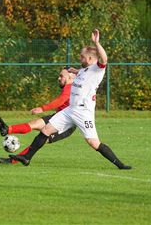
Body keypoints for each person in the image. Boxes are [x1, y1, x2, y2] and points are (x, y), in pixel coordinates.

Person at [10, 29, 132, 170]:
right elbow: (82, 74)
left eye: (82, 57)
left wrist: (97, 43)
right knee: (45, 130)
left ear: (91, 59)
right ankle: (26, 157)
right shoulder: (85, 70)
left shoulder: (97, 69)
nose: (80, 59)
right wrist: (74, 71)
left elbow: (104, 59)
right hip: (70, 110)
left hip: (83, 112)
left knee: (93, 143)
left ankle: (120, 165)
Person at [0, 68, 78, 164]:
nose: (58, 78)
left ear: (71, 76)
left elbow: (61, 100)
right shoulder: (70, 87)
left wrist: (42, 108)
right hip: (58, 117)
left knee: (40, 140)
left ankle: (14, 160)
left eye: (61, 76)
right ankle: (6, 129)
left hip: (67, 124)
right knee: (34, 123)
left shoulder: (71, 87)